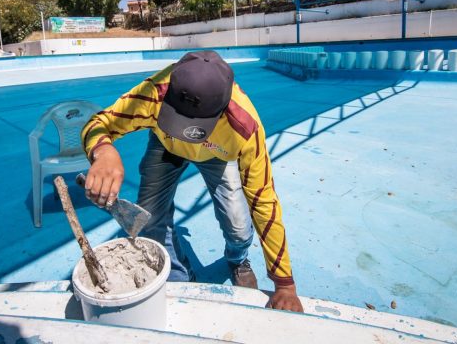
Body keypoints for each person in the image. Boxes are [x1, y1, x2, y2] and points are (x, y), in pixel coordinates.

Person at [81, 50, 303, 312]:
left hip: (216, 155)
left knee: (239, 227)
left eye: (193, 125)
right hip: (166, 146)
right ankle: (180, 279)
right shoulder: (156, 91)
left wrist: (284, 284)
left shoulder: (244, 127)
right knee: (150, 222)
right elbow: (100, 122)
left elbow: (264, 202)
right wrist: (103, 151)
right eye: (177, 117)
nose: (185, 133)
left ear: (222, 113)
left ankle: (238, 259)